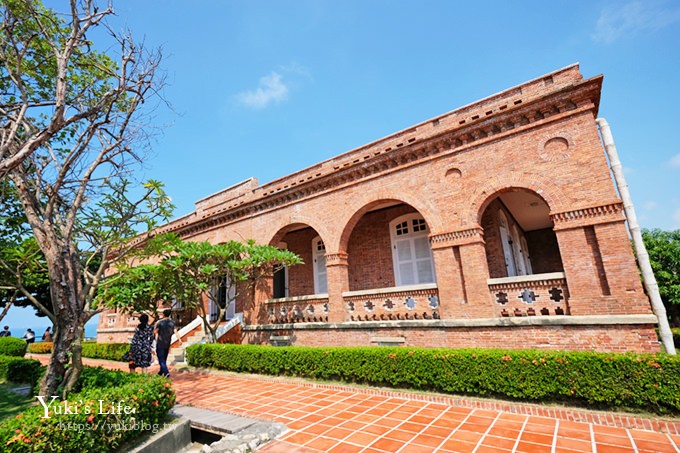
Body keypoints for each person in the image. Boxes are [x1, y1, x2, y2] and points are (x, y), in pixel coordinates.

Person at [154, 309, 182, 378]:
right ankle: (161, 372)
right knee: (164, 358)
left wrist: (156, 324)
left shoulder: (160, 323)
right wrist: (179, 339)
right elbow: (176, 331)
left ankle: (166, 372)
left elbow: (155, 332)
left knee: (161, 359)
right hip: (167, 343)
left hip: (160, 343)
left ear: (163, 314)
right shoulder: (172, 323)